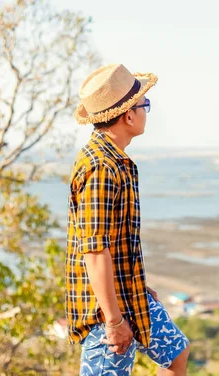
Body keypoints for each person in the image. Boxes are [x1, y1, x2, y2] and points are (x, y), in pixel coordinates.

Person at [66, 64, 190, 375]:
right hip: (106, 311)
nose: (147, 111)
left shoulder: (116, 160)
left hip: (128, 293)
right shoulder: (100, 167)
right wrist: (113, 320)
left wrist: (137, 283)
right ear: (128, 116)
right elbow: (94, 251)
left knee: (176, 352)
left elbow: (116, 241)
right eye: (144, 105)